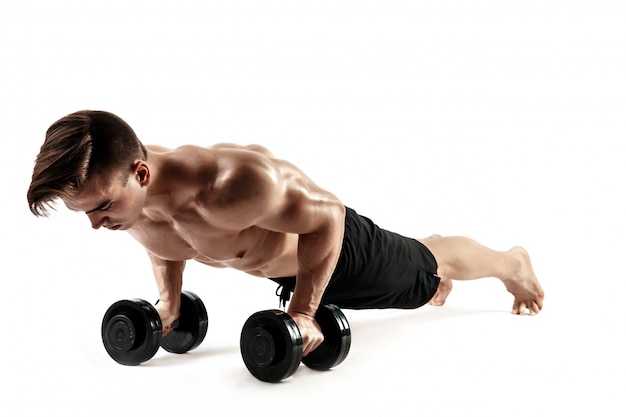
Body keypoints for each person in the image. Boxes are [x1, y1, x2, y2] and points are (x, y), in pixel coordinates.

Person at [27, 110, 544, 356]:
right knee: (421, 274)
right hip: (286, 273)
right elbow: (165, 241)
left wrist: (301, 312)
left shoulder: (232, 184)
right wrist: (168, 302)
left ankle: (510, 262)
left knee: (428, 269)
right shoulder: (129, 202)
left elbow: (328, 219)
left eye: (100, 209)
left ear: (141, 173)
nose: (97, 225)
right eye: (85, 215)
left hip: (336, 251)